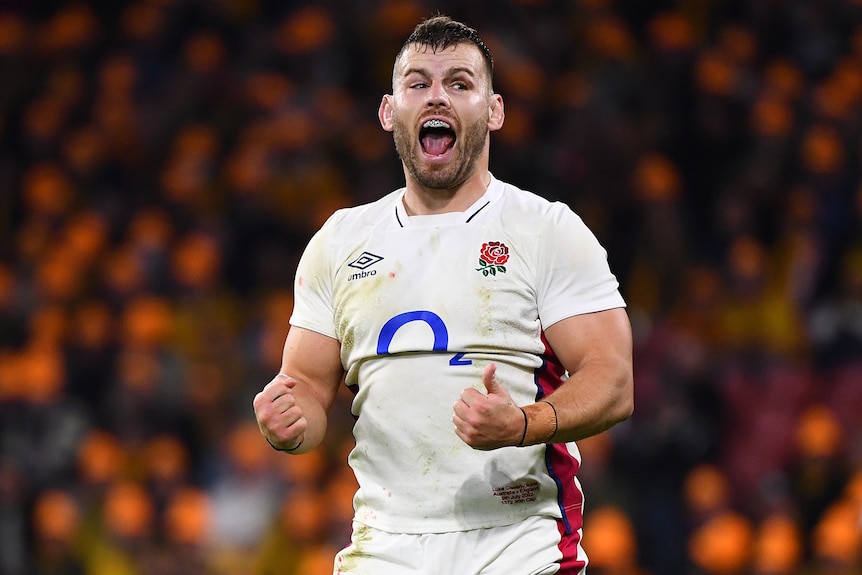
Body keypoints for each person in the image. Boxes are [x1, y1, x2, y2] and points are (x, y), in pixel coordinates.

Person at [253, 15, 634, 575]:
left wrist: (523, 424)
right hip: (385, 546)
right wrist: (288, 422)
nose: (437, 97)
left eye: (459, 83)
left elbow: (615, 381)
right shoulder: (339, 241)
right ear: (389, 112)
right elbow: (308, 389)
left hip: (517, 543)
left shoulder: (546, 230)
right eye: (418, 83)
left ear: (495, 109)